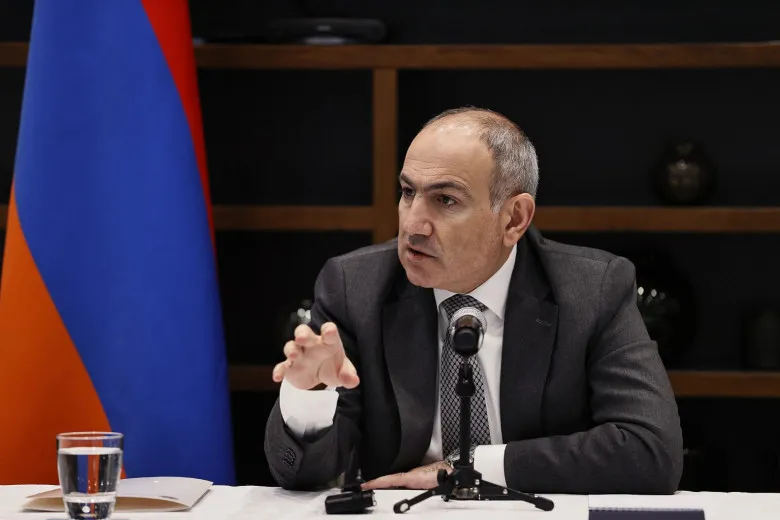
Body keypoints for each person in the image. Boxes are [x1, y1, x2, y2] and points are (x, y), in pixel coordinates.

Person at [264, 107, 683, 495]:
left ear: (514, 219)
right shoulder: (354, 287)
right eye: (408, 192)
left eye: (445, 200)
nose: (414, 224)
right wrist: (310, 398)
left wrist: (472, 467)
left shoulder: (592, 290)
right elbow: (302, 475)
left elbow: (650, 450)